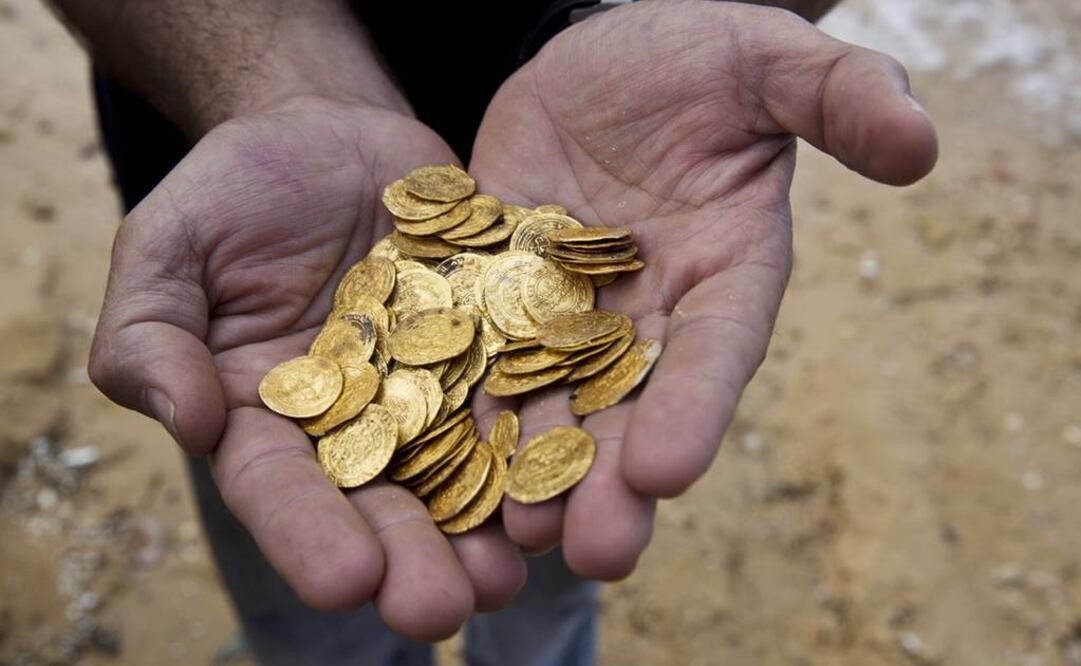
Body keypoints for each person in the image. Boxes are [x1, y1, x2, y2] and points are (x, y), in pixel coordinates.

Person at [46, 1, 938, 664]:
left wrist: (647, 11)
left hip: (616, 146)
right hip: (271, 269)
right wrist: (271, 86)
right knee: (313, 590)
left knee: (554, 549)